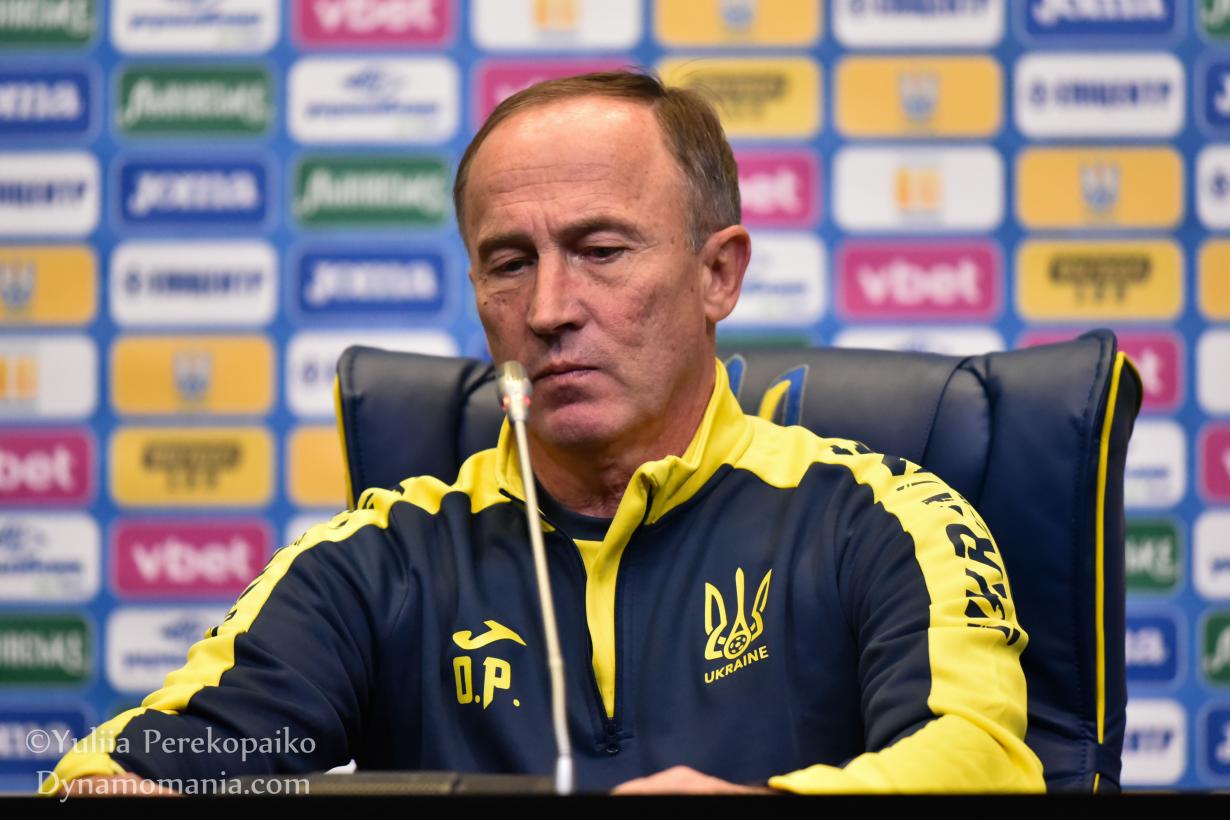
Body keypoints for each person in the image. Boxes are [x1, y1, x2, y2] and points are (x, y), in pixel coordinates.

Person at [45, 71, 1045, 796]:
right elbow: (121, 769)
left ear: (719, 274)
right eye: (509, 262)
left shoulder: (884, 520)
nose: (550, 308)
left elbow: (984, 763)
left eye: (601, 250)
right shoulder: (382, 558)